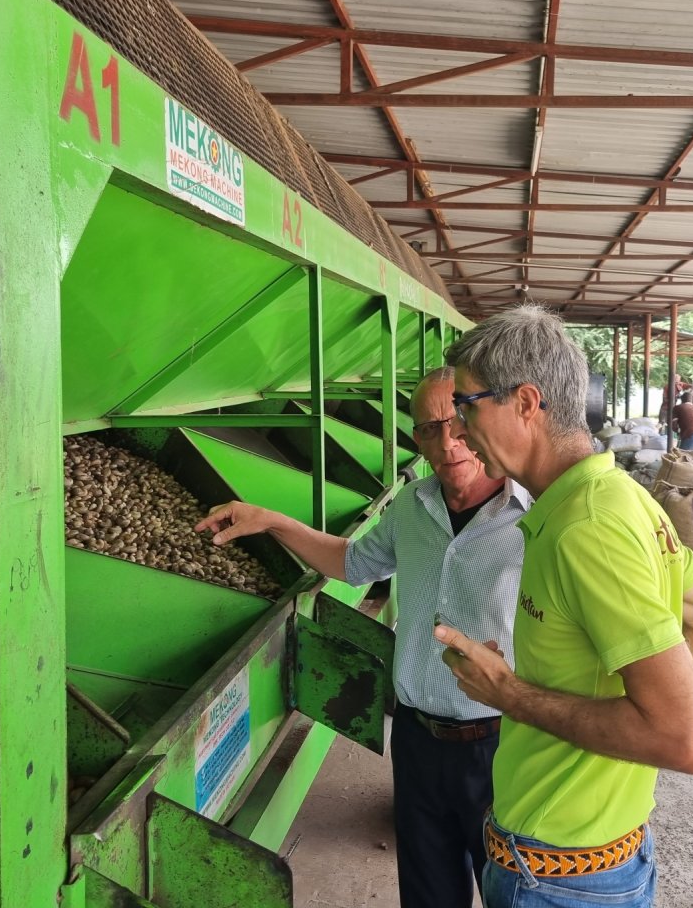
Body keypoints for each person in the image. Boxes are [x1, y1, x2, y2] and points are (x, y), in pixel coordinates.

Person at [433, 306, 693, 908]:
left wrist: (508, 694)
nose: (457, 429)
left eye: (467, 405)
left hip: (560, 882)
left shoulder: (589, 528)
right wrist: (631, 744)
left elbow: (685, 740)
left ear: (526, 403)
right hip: (591, 860)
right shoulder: (618, 497)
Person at [195, 367, 530, 908]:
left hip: (504, 745)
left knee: (512, 893)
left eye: (455, 422)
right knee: (427, 893)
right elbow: (353, 563)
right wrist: (273, 521)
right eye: (426, 429)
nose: (446, 444)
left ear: (479, 418)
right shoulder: (413, 506)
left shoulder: (534, 516)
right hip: (419, 741)